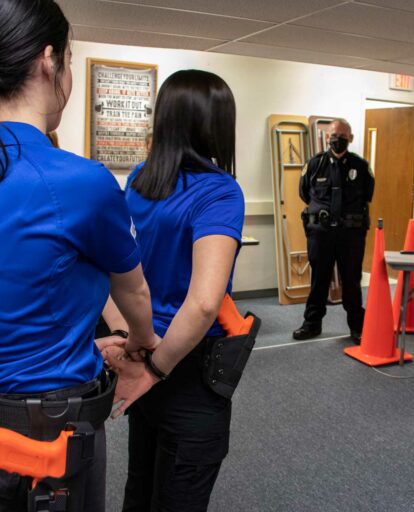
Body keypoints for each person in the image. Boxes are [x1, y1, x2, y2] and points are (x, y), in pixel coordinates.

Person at [0, 1, 156, 510]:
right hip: (54, 447)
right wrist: (139, 341)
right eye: (71, 58)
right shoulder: (81, 181)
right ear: (50, 60)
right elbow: (132, 289)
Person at [100, 69, 245, 512]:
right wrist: (155, 369)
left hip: (142, 347)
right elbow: (203, 304)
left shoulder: (141, 179)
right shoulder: (220, 191)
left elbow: (114, 268)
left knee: (141, 483)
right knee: (179, 491)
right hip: (183, 364)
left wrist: (130, 342)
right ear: (216, 124)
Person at [293, 119, 374, 342]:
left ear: (351, 139)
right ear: (327, 137)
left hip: (351, 235)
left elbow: (368, 194)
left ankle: (357, 327)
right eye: (334, 135)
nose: (338, 139)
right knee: (319, 280)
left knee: (351, 281)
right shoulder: (315, 164)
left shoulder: (360, 166)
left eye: (343, 136)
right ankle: (312, 324)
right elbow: (304, 193)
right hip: (322, 233)